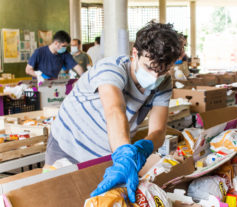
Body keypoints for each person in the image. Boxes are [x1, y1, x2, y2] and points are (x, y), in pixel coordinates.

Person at [44, 22, 182, 203]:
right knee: (57, 199)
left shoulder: (163, 83)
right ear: (135, 54)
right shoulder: (111, 69)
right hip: (68, 146)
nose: (155, 77)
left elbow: (158, 131)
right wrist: (124, 155)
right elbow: (115, 111)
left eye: (163, 71)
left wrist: (144, 148)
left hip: (107, 152)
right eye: (150, 68)